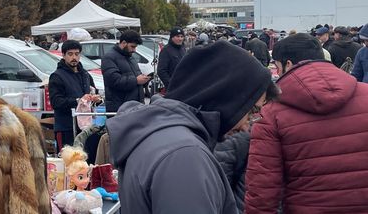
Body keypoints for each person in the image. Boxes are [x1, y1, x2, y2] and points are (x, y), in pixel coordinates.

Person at [107, 41, 277, 214]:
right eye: (251, 111)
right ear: (228, 96)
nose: (246, 127)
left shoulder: (158, 132)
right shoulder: (185, 155)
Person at [245, 33, 368, 213]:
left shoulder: (272, 114)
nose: (277, 74)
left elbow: (263, 188)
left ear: (288, 64)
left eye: (278, 68)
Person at [49, 40, 100, 151]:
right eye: (70, 54)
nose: (74, 57)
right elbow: (56, 102)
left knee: (86, 161)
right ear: (63, 55)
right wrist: (78, 101)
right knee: (70, 162)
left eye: (77, 54)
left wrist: (96, 99)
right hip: (66, 127)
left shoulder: (85, 74)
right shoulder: (57, 76)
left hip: (86, 127)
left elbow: (94, 93)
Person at [101, 31, 150, 113]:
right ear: (124, 43)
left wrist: (144, 80)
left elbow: (135, 76)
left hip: (135, 107)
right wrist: (136, 80)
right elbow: (114, 81)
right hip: (120, 108)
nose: (134, 50)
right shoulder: (109, 58)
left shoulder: (130, 57)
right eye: (132, 46)